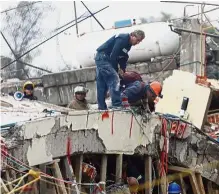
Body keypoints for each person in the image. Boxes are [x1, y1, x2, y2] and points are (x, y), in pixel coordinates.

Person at [95, 30, 145, 110]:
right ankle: (117, 105)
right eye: (138, 40)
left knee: (102, 84)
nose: (138, 43)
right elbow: (114, 55)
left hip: (103, 58)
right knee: (114, 79)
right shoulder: (123, 39)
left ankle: (102, 108)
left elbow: (123, 56)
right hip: (103, 57)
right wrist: (116, 71)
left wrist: (122, 68)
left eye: (140, 41)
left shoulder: (128, 45)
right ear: (132, 35)